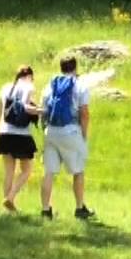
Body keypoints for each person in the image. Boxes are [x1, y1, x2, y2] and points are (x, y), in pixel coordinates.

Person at [37, 55, 95, 221]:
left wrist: (45, 129)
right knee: (78, 171)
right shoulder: (80, 85)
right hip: (70, 131)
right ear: (75, 68)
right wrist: (83, 134)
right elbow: (84, 113)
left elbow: (44, 109)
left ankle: (46, 210)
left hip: (51, 132)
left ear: (61, 67)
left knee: (49, 172)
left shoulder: (50, 86)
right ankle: (79, 208)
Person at [0, 64, 39, 213]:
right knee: (26, 170)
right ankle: (10, 198)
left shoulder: (5, 88)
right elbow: (27, 108)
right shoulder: (29, 87)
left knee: (9, 172)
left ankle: (8, 209)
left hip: (4, 133)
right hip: (21, 134)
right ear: (29, 76)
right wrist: (42, 111)